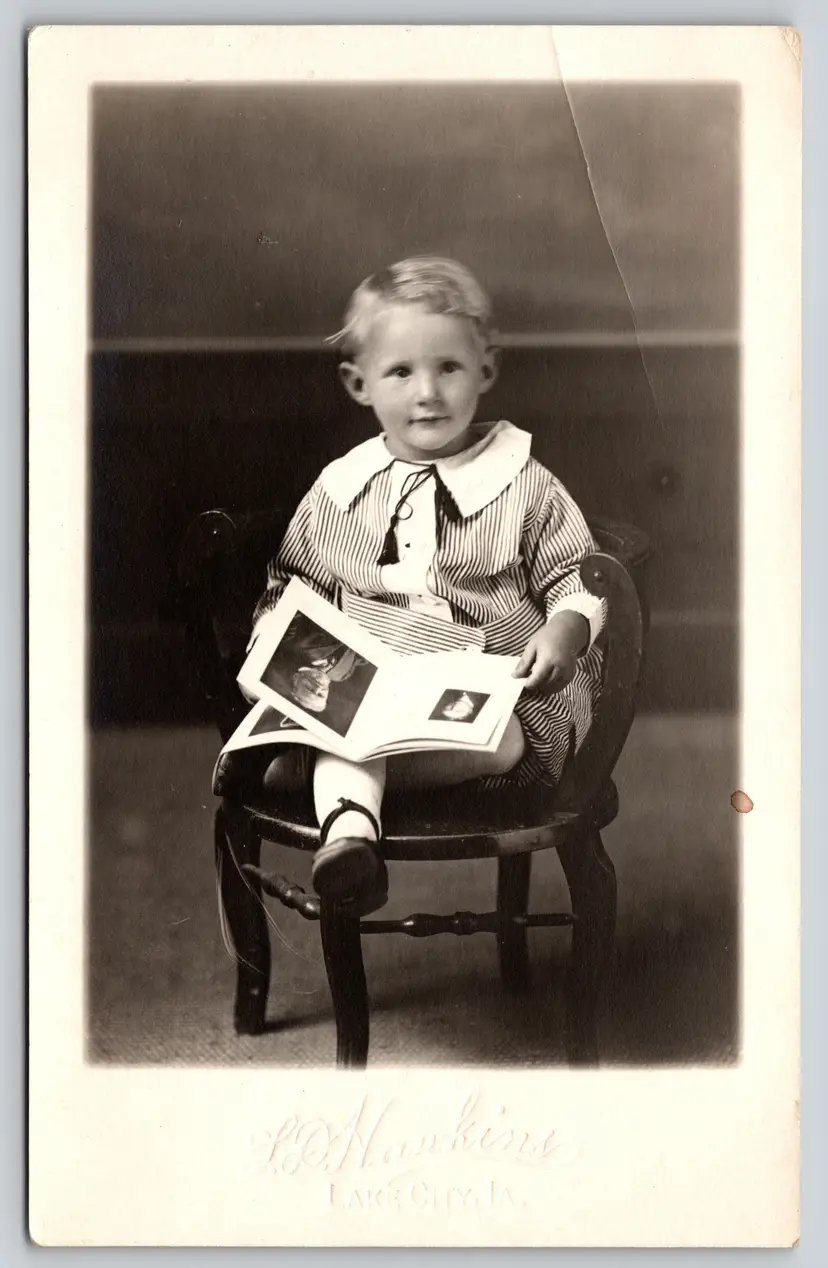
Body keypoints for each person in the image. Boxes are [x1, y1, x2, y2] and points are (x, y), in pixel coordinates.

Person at [232, 257, 605, 916]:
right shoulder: (339, 491)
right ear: (359, 383)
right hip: (372, 688)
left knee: (500, 740)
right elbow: (291, 585)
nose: (427, 392)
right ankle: (350, 841)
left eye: (449, 368)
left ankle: (325, 781)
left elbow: (575, 573)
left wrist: (564, 628)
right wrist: (273, 645)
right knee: (348, 721)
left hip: (495, 698)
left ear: (486, 370)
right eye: (401, 372)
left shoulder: (525, 484)